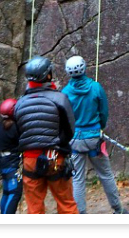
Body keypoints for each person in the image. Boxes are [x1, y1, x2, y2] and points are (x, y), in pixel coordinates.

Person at [61, 55, 127, 214]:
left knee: (77, 179)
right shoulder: (96, 88)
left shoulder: (65, 93)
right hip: (94, 138)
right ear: (83, 67)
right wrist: (100, 127)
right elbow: (103, 112)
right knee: (105, 174)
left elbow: (64, 117)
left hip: (75, 139)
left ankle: (81, 214)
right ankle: (118, 209)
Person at [14, 55, 79, 214]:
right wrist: (59, 144)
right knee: (66, 204)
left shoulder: (20, 103)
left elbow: (19, 132)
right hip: (55, 157)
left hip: (29, 159)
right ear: (48, 75)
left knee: (34, 207)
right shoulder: (60, 98)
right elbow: (70, 130)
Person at [0, 98, 22, 214]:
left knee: (6, 192)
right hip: (12, 163)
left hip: (3, 162)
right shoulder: (15, 127)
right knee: (14, 193)